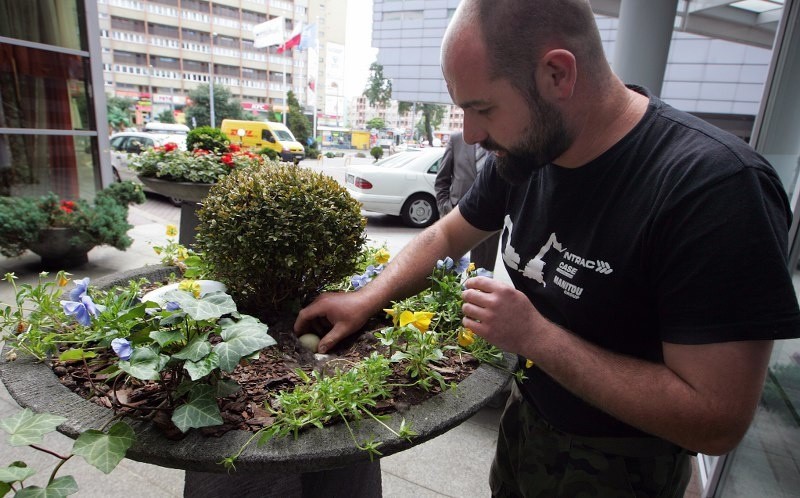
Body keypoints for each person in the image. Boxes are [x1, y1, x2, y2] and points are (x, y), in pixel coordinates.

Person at [295, 0, 800, 495]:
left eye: (483, 108)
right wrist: (366, 298)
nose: (471, 135)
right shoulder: (528, 152)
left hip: (624, 470)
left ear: (558, 74)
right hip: (526, 426)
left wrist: (536, 337)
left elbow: (716, 421)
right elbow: (448, 233)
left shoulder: (715, 188)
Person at [435, 131, 500, 271]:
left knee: (481, 277)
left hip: (490, 220)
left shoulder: (502, 139)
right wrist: (446, 208)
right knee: (448, 277)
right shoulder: (457, 139)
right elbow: (441, 180)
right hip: (456, 214)